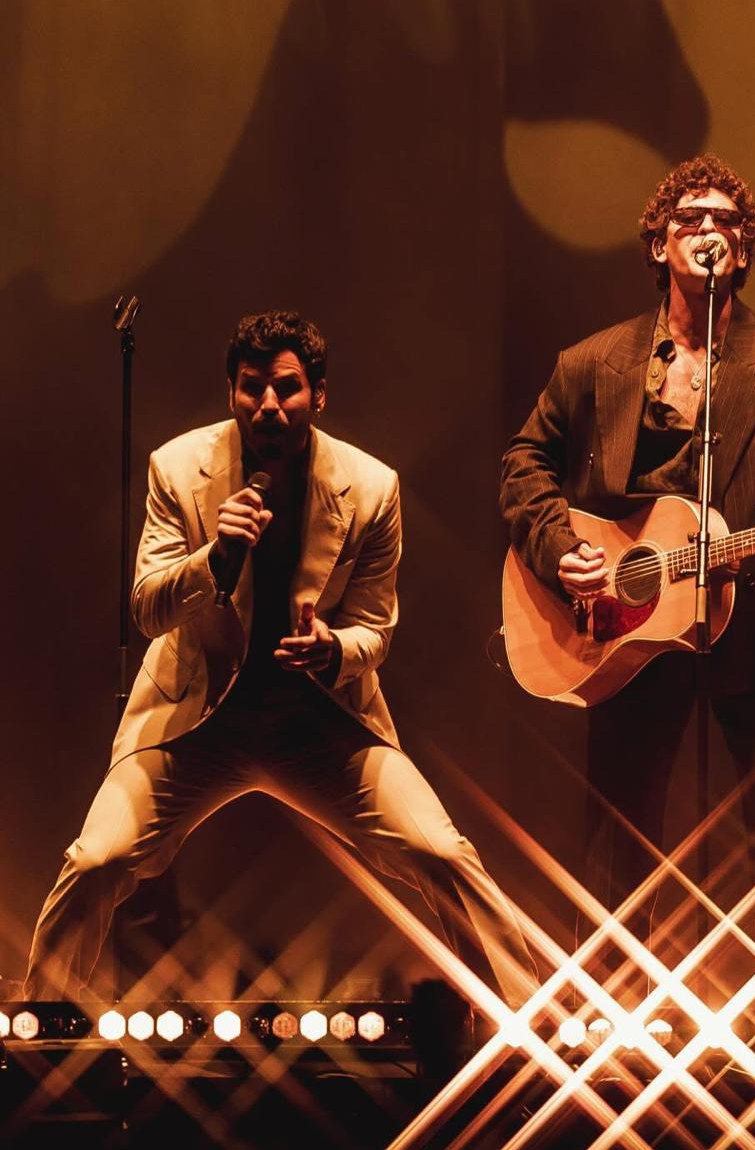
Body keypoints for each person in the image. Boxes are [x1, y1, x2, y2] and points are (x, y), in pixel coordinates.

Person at [26, 311, 535, 1011]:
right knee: (96, 860)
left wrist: (332, 651)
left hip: (319, 723)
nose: (268, 404)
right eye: (252, 386)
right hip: (197, 719)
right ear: (232, 393)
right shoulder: (178, 468)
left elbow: (375, 629)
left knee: (442, 854)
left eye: (286, 388)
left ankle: (529, 1032)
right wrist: (216, 557)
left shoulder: (371, 486)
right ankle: (38, 1034)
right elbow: (148, 609)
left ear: (318, 395)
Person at [500, 156, 755, 990]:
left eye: (726, 221)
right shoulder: (594, 361)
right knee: (617, 838)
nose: (709, 231)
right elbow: (523, 463)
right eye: (690, 219)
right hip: (628, 624)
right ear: (659, 244)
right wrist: (560, 548)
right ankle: (608, 1008)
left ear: (744, 249)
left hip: (752, 616)